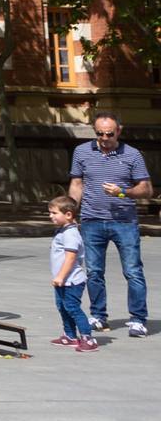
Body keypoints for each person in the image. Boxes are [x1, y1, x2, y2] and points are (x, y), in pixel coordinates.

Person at [68, 113, 151, 336]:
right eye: (99, 133)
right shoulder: (82, 152)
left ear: (119, 131)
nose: (104, 138)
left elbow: (146, 189)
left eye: (109, 133)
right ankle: (98, 316)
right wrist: (71, 212)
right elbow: (77, 183)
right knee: (94, 272)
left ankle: (138, 319)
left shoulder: (132, 155)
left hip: (124, 222)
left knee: (133, 271)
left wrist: (123, 192)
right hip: (92, 220)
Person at [47, 195, 98, 351]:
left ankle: (88, 339)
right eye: (50, 213)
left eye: (54, 213)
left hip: (72, 281)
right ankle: (69, 336)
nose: (51, 216)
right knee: (62, 307)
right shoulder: (64, 231)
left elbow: (70, 258)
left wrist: (61, 276)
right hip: (62, 280)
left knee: (72, 308)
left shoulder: (70, 234)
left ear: (68, 214)